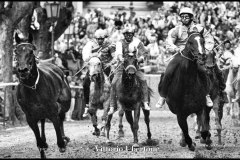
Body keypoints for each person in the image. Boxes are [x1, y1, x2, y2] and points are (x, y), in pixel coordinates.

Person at [156, 7, 224, 108]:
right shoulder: (176, 30)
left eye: (186, 17)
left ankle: (206, 95)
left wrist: (204, 48)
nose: (184, 18)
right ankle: (163, 96)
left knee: (204, 71)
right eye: (182, 16)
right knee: (168, 71)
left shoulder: (200, 28)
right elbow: (169, 41)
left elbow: (209, 38)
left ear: (191, 17)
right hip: (180, 55)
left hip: (196, 56)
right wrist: (175, 48)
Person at [108, 25, 151, 115]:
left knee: (143, 80)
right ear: (124, 35)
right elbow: (119, 53)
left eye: (130, 34)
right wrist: (120, 58)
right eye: (127, 34)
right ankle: (112, 106)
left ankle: (145, 102)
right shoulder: (120, 42)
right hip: (122, 67)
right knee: (113, 83)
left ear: (133, 34)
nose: (129, 36)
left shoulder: (138, 42)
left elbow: (144, 53)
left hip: (135, 67)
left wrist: (140, 59)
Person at [82, 29, 116, 117]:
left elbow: (114, 57)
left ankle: (113, 104)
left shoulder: (110, 44)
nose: (100, 40)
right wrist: (92, 55)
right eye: (98, 39)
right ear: (96, 38)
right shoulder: (90, 44)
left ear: (104, 38)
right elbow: (85, 57)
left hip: (106, 67)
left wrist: (110, 63)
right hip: (93, 66)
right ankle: (86, 105)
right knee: (85, 82)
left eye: (102, 39)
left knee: (115, 82)